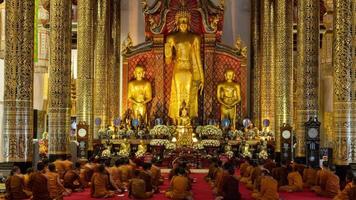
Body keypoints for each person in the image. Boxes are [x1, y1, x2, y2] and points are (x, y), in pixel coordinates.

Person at [165, 9, 204, 121]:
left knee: (188, 93)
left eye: (185, 21)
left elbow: (197, 58)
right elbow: (168, 61)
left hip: (189, 68)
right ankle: (177, 119)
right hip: (178, 68)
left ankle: (188, 120)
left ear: (189, 23)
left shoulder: (194, 38)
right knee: (177, 94)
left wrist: (202, 77)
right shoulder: (171, 38)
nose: (183, 24)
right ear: (177, 22)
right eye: (181, 21)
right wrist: (167, 51)